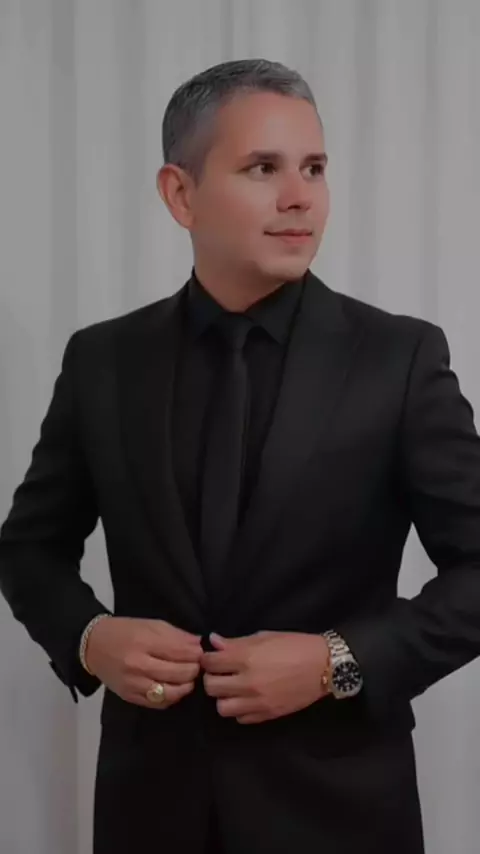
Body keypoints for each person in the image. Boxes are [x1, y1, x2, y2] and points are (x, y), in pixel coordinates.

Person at [1, 57, 480, 854]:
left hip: (341, 817)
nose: (300, 197)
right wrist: (89, 636)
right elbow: (28, 548)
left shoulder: (398, 360)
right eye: (263, 168)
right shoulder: (103, 361)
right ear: (180, 195)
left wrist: (336, 660)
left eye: (314, 168)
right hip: (150, 814)